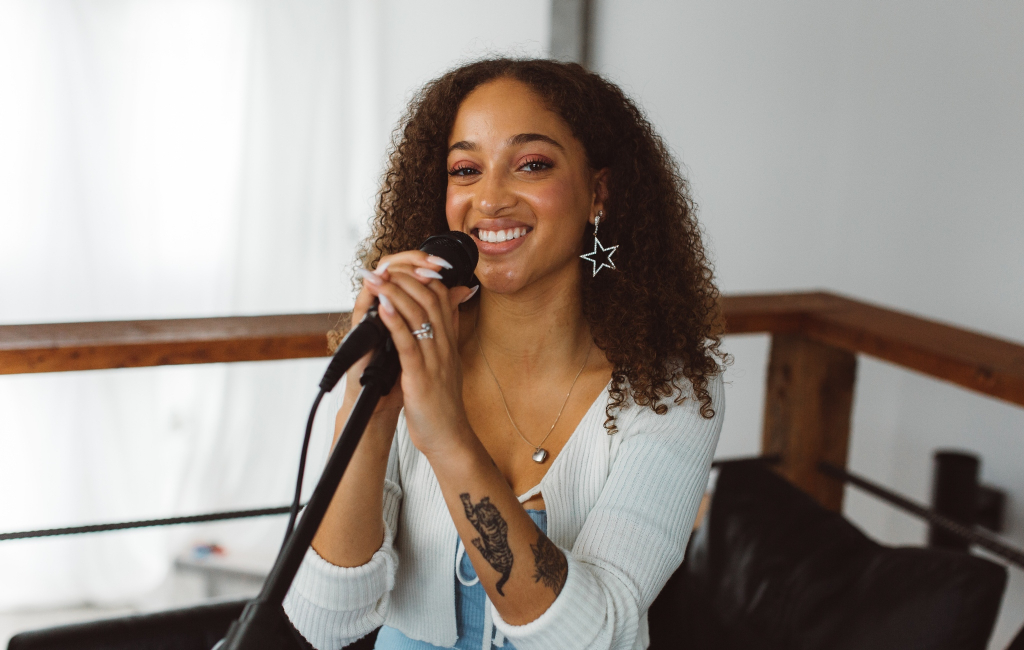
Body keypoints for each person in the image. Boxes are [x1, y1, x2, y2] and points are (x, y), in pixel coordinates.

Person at [283, 58, 726, 650]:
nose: (488, 200)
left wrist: (445, 434)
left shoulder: (666, 386)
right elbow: (325, 622)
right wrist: (372, 405)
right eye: (466, 170)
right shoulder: (410, 358)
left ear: (599, 191)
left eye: (532, 164)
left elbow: (595, 637)